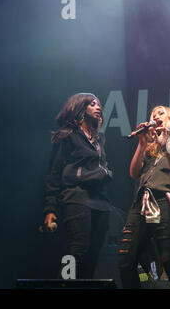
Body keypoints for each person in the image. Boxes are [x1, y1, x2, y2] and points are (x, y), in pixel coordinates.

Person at [118, 106, 170, 289]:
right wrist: (142, 144)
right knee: (126, 259)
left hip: (165, 202)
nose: (156, 116)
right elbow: (133, 173)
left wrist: (166, 149)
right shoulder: (150, 147)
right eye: (153, 114)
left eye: (161, 113)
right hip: (140, 205)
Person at [43, 93, 112, 279]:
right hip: (76, 197)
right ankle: (64, 284)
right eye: (92, 104)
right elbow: (54, 173)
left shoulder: (99, 139)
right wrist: (50, 208)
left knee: (93, 257)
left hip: (101, 202)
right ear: (80, 109)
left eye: (99, 104)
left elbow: (100, 166)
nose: (98, 107)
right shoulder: (67, 136)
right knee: (76, 251)